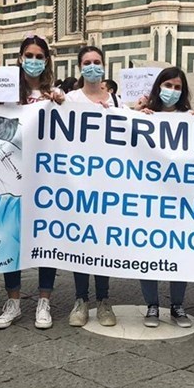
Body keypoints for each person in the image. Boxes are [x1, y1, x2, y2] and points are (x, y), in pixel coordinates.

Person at [0, 35, 64, 330]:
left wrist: (60, 104)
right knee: (10, 237)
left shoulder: (55, 95)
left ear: (46, 60)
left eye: (39, 56)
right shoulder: (6, 88)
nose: (33, 60)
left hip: (46, 177)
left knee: (46, 237)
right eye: (29, 55)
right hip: (12, 174)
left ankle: (44, 300)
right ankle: (14, 301)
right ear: (19, 58)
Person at [136, 67, 194, 328]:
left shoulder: (190, 117)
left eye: (178, 87)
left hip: (179, 199)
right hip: (148, 197)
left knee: (179, 250)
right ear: (158, 86)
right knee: (147, 250)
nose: (172, 91)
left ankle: (178, 305)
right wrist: (134, 114)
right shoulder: (145, 116)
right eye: (168, 85)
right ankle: (152, 305)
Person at [65, 46, 121, 327]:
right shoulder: (70, 99)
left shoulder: (116, 101)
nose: (92, 66)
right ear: (80, 67)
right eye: (87, 62)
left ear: (104, 65)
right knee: (81, 240)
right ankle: (80, 300)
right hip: (78, 182)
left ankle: (103, 300)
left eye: (97, 62)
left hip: (108, 183)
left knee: (103, 243)